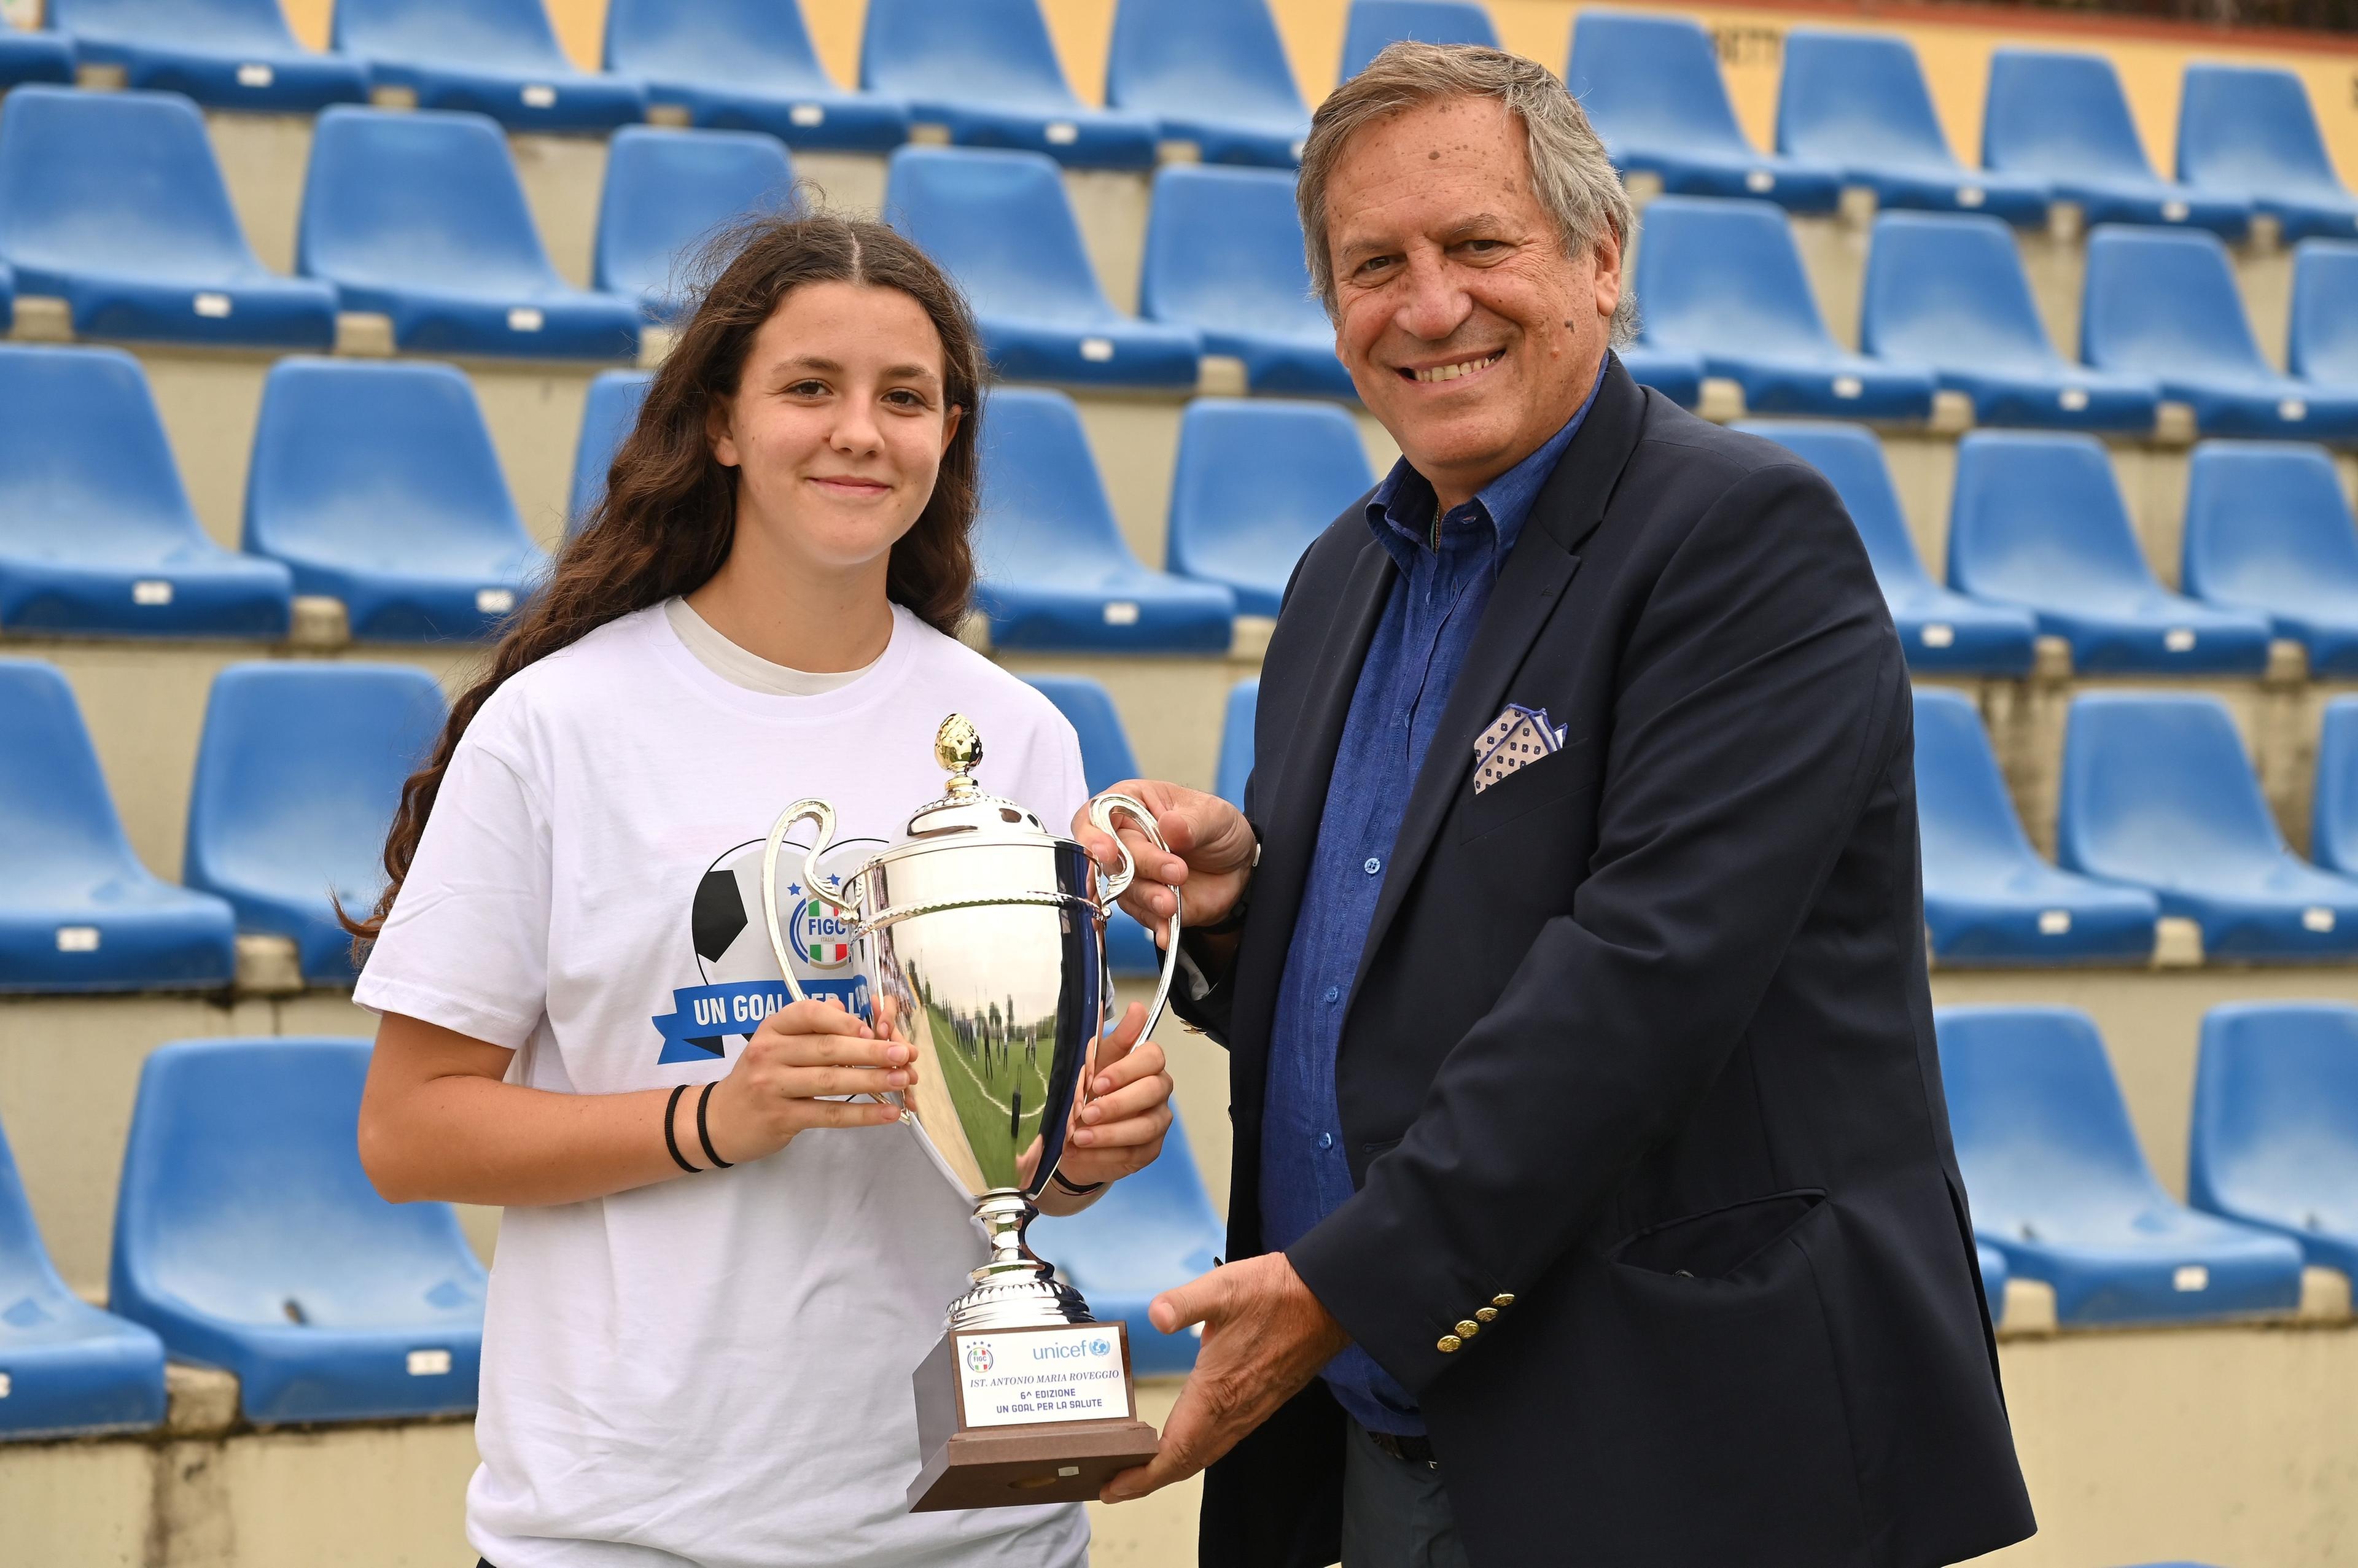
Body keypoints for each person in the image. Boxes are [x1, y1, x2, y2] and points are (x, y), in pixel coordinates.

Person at [1075, 44, 2037, 1568]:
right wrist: (1250, 909)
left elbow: (1638, 983)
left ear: (1600, 258)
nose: (1429, 304)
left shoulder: (1743, 537)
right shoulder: (1341, 573)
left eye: (1478, 246)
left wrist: (1340, 1283)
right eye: (1372, 263)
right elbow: (1418, 973)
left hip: (1688, 1444)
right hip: (1388, 1438)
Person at [348, 212, 1177, 1568]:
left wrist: (1081, 1144)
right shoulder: (558, 726)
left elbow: (1010, 1157)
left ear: (948, 437)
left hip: (976, 1533)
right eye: (810, 387)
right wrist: (713, 1114)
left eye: (905, 398)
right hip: (631, 1530)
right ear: (722, 423)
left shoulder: (1015, 735)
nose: (861, 430)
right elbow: (410, 1129)